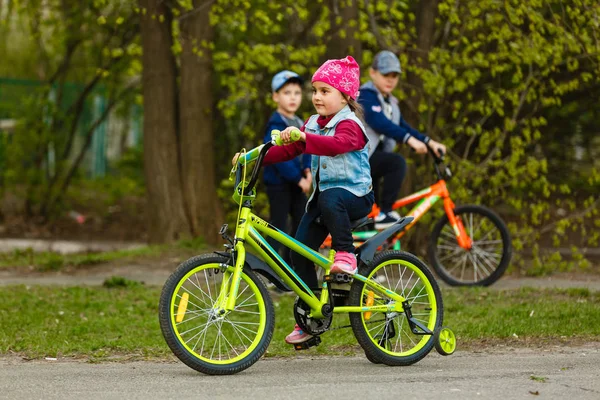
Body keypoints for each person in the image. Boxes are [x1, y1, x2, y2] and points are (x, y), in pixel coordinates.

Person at [262, 56, 374, 344]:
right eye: (315, 90)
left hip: (356, 196)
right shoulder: (311, 124)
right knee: (298, 255)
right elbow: (288, 151)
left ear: (345, 96)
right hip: (324, 201)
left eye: (325, 91)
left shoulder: (351, 124)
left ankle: (345, 254)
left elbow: (336, 146)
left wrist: (303, 136)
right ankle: (313, 318)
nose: (316, 97)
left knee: (331, 197)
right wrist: (256, 157)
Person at [358, 51, 446, 228]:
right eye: (385, 75)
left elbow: (402, 126)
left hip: (373, 158)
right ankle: (386, 212)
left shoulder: (390, 103)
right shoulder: (365, 96)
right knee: (396, 163)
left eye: (394, 76)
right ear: (373, 73)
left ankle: (377, 223)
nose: (390, 80)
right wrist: (409, 140)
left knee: (367, 217)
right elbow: (379, 122)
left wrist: (429, 142)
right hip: (359, 159)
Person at [262, 70, 312, 265]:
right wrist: (298, 178)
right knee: (278, 227)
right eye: (286, 93)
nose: (292, 98)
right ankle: (270, 268)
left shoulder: (300, 123)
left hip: (299, 183)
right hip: (280, 185)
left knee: (300, 225)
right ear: (276, 96)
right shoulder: (275, 123)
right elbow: (277, 157)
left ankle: (289, 267)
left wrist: (307, 172)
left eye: (297, 93)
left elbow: (307, 148)